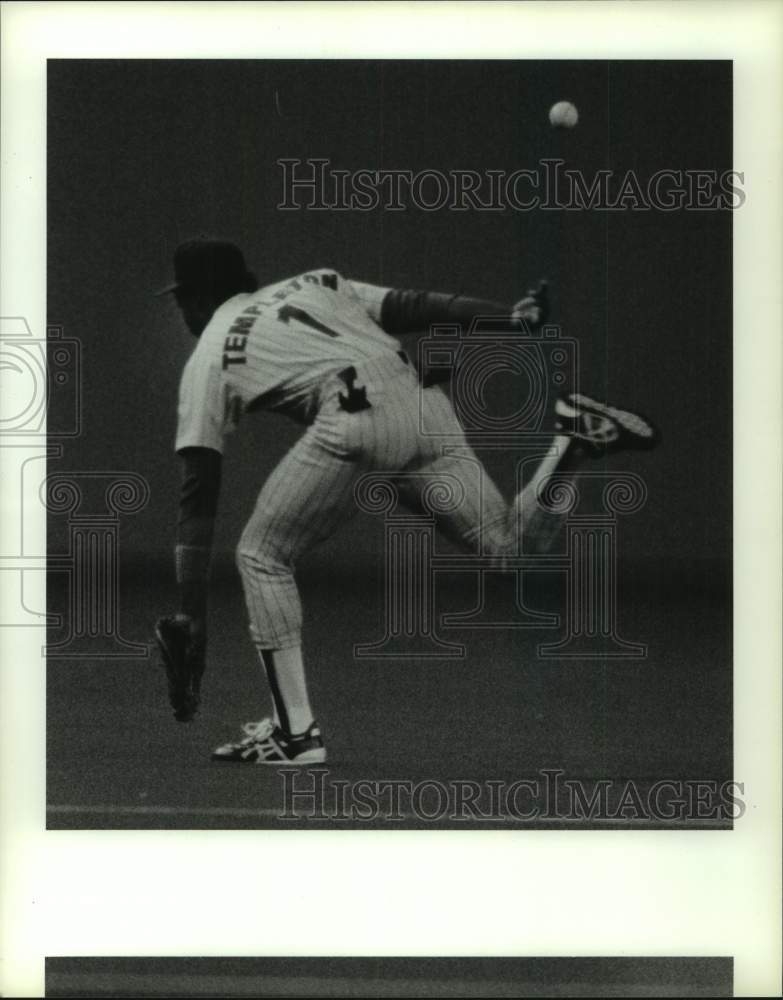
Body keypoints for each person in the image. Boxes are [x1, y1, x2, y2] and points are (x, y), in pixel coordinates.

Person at [157, 238, 657, 764]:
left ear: (196, 298)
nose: (179, 309)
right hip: (421, 402)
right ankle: (570, 443)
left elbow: (198, 491)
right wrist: (507, 319)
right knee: (510, 548)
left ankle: (295, 735)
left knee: (262, 556)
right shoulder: (316, 282)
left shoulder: (209, 354)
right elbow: (416, 305)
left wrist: (192, 611)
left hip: (354, 417)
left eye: (180, 299)